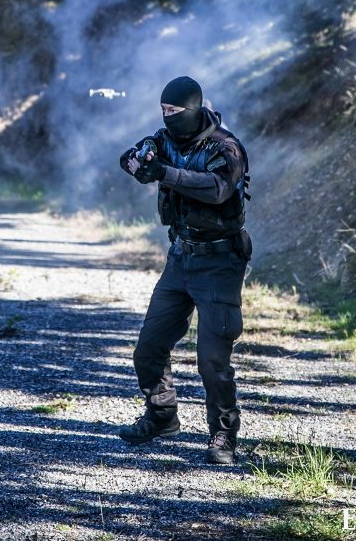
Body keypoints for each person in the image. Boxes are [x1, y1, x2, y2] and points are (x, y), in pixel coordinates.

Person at [118, 76, 252, 465]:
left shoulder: (226, 147)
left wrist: (163, 173)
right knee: (148, 349)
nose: (167, 117)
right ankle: (162, 418)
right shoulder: (163, 140)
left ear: (193, 111)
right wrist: (137, 162)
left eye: (174, 112)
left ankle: (223, 436)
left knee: (212, 359)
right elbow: (136, 153)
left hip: (219, 262)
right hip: (180, 257)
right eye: (163, 111)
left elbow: (215, 189)